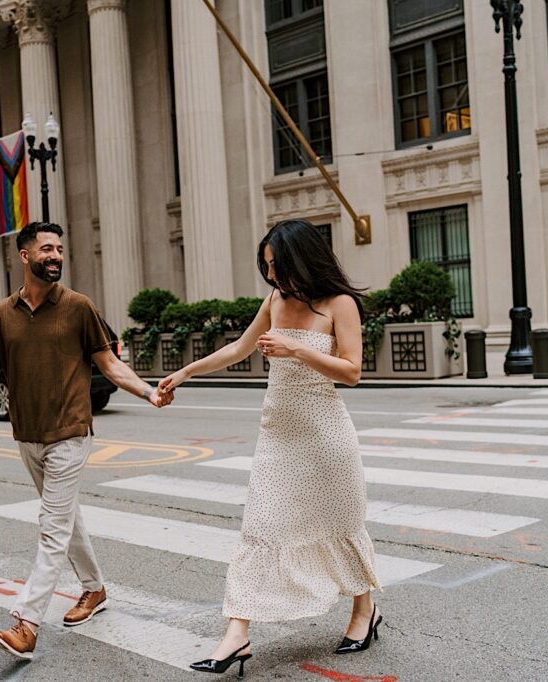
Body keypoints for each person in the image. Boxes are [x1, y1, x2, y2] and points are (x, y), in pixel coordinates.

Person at [159, 219, 382, 676]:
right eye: (268, 269)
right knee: (260, 528)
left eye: (278, 266)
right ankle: (236, 634)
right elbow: (238, 349)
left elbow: (352, 372)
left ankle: (364, 612)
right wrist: (185, 372)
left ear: (303, 259)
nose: (274, 277)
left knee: (340, 522)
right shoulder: (275, 301)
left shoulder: (339, 304)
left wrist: (297, 350)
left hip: (325, 434)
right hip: (278, 433)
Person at [0, 221, 174, 660]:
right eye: (47, 249)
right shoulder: (1, 315)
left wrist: (148, 391)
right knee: (66, 519)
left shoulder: (78, 307)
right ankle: (95, 588)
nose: (56, 256)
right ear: (25, 256)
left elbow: (108, 363)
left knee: (51, 529)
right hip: (28, 435)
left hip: (70, 431)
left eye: (60, 250)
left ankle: (27, 624)